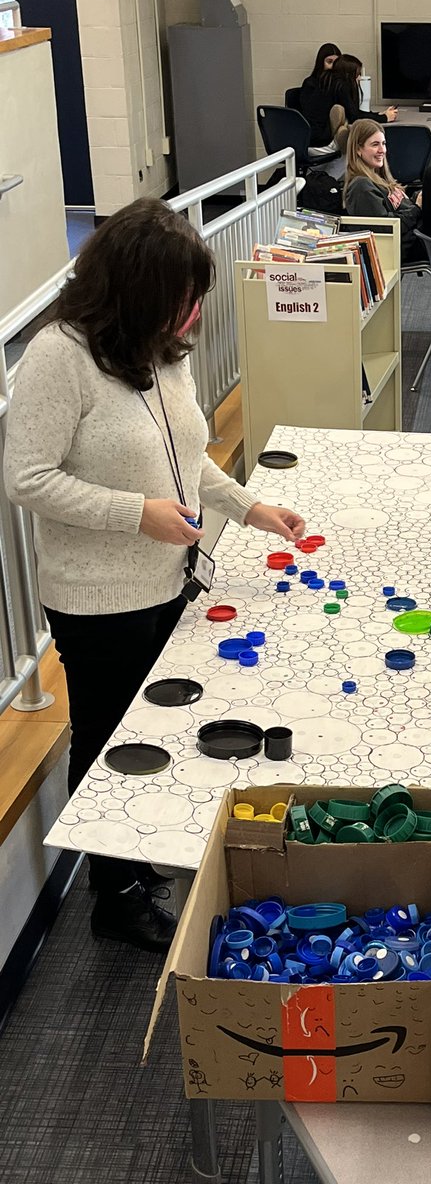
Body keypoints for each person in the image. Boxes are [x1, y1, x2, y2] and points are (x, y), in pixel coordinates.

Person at [3, 199, 307, 951]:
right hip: (96, 596)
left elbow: (185, 457)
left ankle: (141, 853)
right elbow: (26, 478)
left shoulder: (164, 349)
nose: (191, 312)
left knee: (164, 727)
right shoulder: (58, 357)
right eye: (179, 296)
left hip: (169, 577)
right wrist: (134, 513)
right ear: (132, 290)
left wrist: (248, 506)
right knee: (110, 737)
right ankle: (116, 894)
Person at [343, 120, 431, 261]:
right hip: (415, 242)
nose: (382, 150)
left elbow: (400, 206)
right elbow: (387, 228)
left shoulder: (378, 177)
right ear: (358, 149)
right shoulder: (361, 186)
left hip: (419, 229)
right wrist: (417, 208)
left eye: (384, 143)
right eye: (375, 145)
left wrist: (417, 199)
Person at [325, 54, 399, 151]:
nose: (359, 78)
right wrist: (384, 118)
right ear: (349, 75)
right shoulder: (342, 87)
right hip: (327, 142)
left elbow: (354, 112)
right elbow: (355, 116)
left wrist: (379, 114)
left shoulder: (331, 84)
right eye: (357, 74)